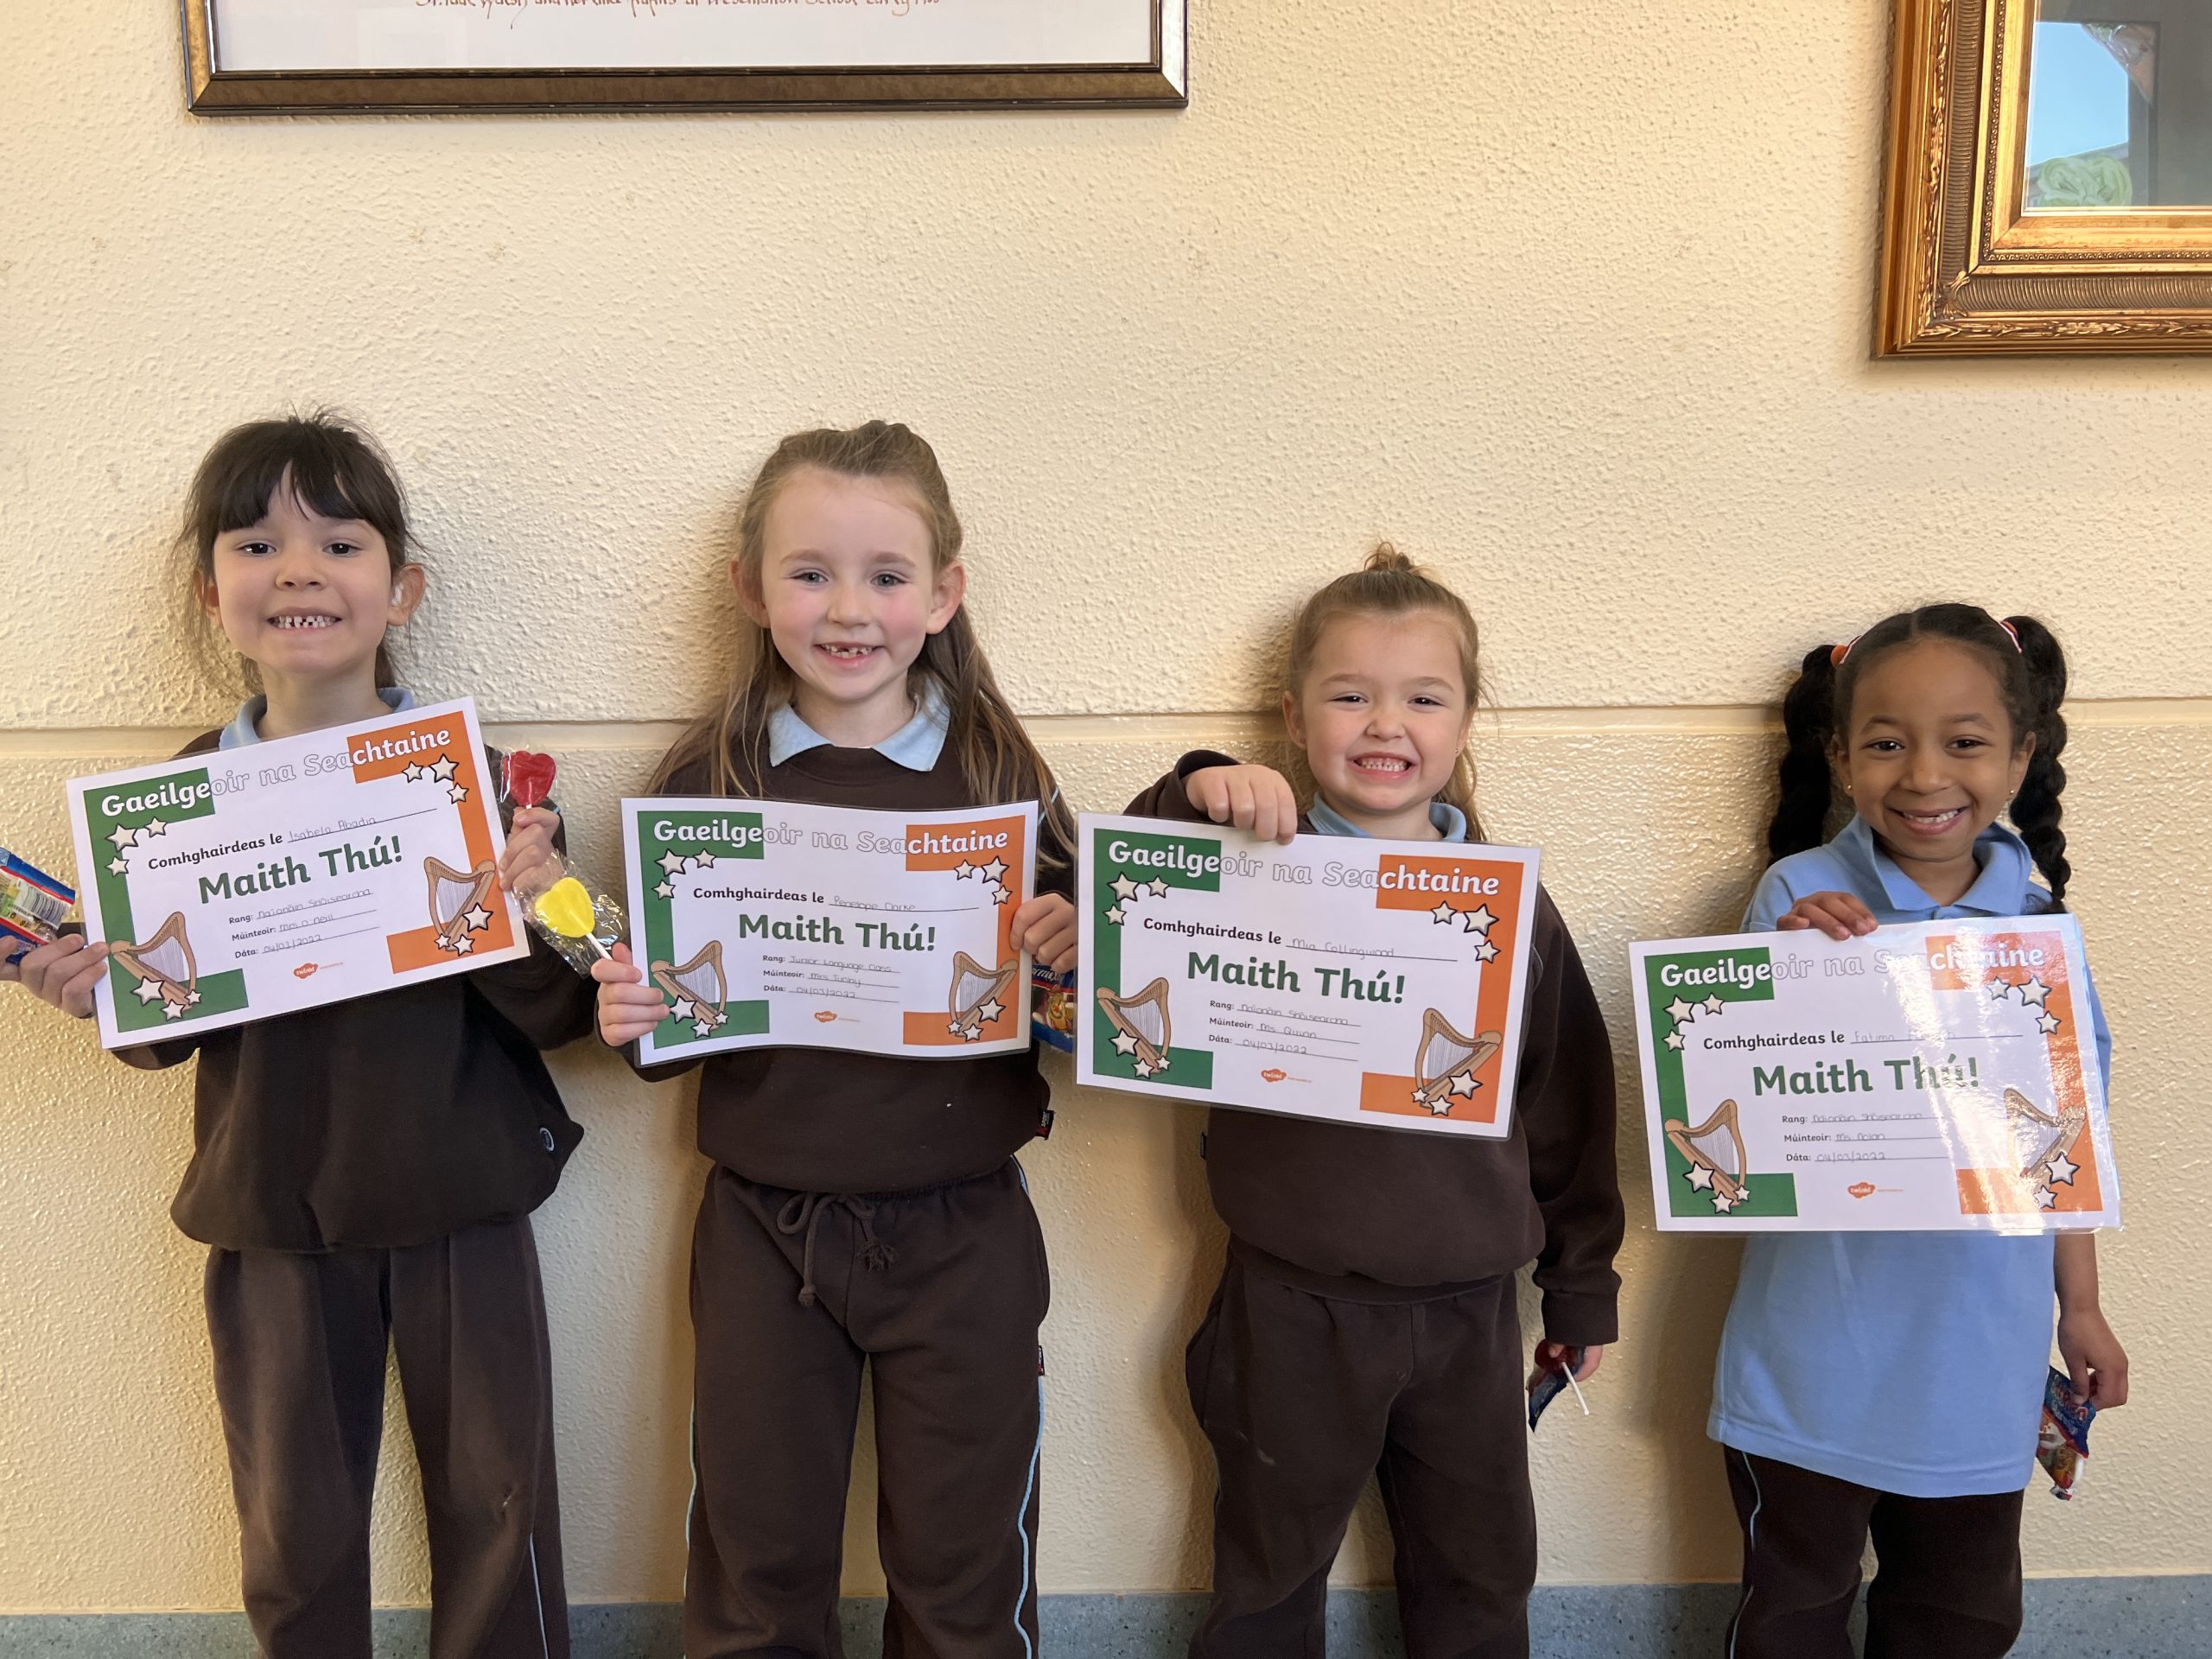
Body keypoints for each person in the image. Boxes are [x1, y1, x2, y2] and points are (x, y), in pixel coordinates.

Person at [2, 414, 594, 1657]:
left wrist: (531, 902)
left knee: (501, 1515)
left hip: (464, 1202)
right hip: (272, 1210)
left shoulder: (485, 784)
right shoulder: (174, 805)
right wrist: (95, 996)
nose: (298, 570)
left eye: (339, 541)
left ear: (402, 589)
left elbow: (562, 1014)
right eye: (257, 544)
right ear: (210, 592)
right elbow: (162, 1036)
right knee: (293, 1536)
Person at [591, 420, 1078, 1659]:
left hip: (967, 1229)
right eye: (810, 573)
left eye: (886, 575)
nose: (849, 609)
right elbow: (666, 1027)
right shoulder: (707, 784)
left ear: (944, 594)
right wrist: (630, 1015)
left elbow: (1090, 1010)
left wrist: (1069, 958)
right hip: (765, 1230)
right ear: (751, 590)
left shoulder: (999, 772)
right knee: (757, 1567)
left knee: (965, 1573)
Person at [1122, 545, 1623, 1659]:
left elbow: (1567, 1109)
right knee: (1266, 1579)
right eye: (1349, 695)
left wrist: (1581, 1286)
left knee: (1479, 1579)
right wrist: (1197, 782)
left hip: (1468, 1316)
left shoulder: (1508, 910)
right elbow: (1123, 888)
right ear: (1292, 719)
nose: (1385, 723)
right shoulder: (1244, 867)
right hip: (1287, 1306)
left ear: (1466, 721)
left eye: (1423, 699)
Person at [1713, 603, 2130, 1659]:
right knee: (1790, 1609)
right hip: (1809, 1351)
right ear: (1840, 756)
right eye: (1888, 743)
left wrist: (2081, 1308)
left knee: (1959, 1614)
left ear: (2021, 755)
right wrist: (1787, 971)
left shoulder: (2040, 933)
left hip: (1978, 1360)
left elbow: (2061, 1147)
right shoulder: (1794, 896)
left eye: (1965, 741)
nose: (1925, 775)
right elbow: (1734, 1113)